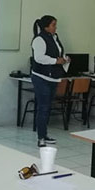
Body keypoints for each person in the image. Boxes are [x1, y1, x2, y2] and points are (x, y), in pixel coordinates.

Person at [30, 15, 69, 147]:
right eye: (53, 25)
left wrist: (64, 59)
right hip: (41, 77)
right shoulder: (39, 39)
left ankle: (44, 135)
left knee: (47, 107)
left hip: (53, 77)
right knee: (43, 108)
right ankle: (41, 137)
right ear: (46, 27)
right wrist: (56, 61)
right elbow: (39, 58)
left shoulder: (54, 37)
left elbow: (57, 53)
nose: (55, 27)